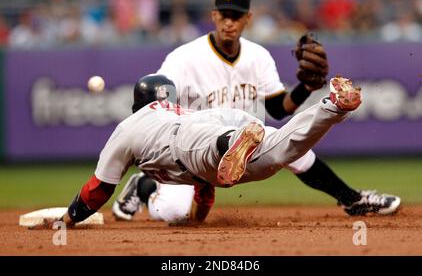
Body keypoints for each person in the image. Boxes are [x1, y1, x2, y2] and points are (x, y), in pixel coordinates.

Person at [112, 0, 400, 223]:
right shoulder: (184, 58)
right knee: (175, 215)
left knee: (293, 146)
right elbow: (159, 104)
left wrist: (306, 88)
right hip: (191, 151)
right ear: (213, 15)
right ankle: (145, 186)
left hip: (242, 141)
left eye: (236, 16)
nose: (229, 22)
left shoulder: (258, 56)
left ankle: (352, 199)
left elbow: (277, 108)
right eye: (224, 14)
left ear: (248, 18)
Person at [59, 73, 370, 226]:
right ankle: (332, 107)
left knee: (208, 147)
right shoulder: (175, 111)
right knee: (282, 151)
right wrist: (197, 220)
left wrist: (70, 218)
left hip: (195, 139)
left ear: (136, 102)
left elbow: (98, 190)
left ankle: (232, 142)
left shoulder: (129, 127)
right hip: (218, 135)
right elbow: (205, 189)